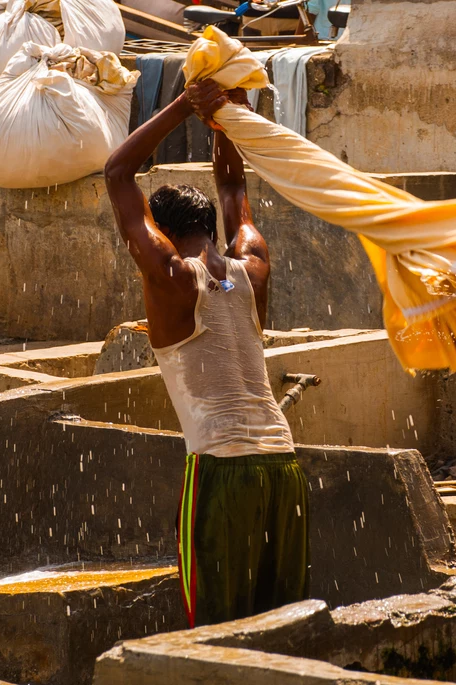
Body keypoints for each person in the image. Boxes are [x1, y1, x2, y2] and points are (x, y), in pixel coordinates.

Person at [103, 79, 309, 628]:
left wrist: (182, 107)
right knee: (281, 623)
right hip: (283, 467)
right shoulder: (252, 267)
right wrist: (229, 117)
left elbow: (118, 174)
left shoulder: (170, 277)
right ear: (207, 229)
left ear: (162, 233)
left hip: (221, 471)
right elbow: (234, 187)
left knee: (215, 630)